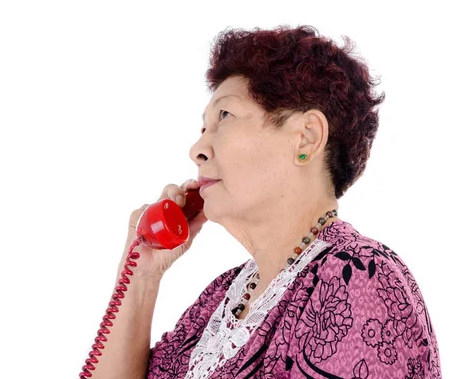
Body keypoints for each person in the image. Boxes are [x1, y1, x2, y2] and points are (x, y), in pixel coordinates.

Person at [80, 25, 441, 378]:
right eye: (202, 128)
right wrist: (142, 276)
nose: (197, 150)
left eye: (225, 116)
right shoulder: (220, 299)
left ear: (306, 138)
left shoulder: (358, 276)